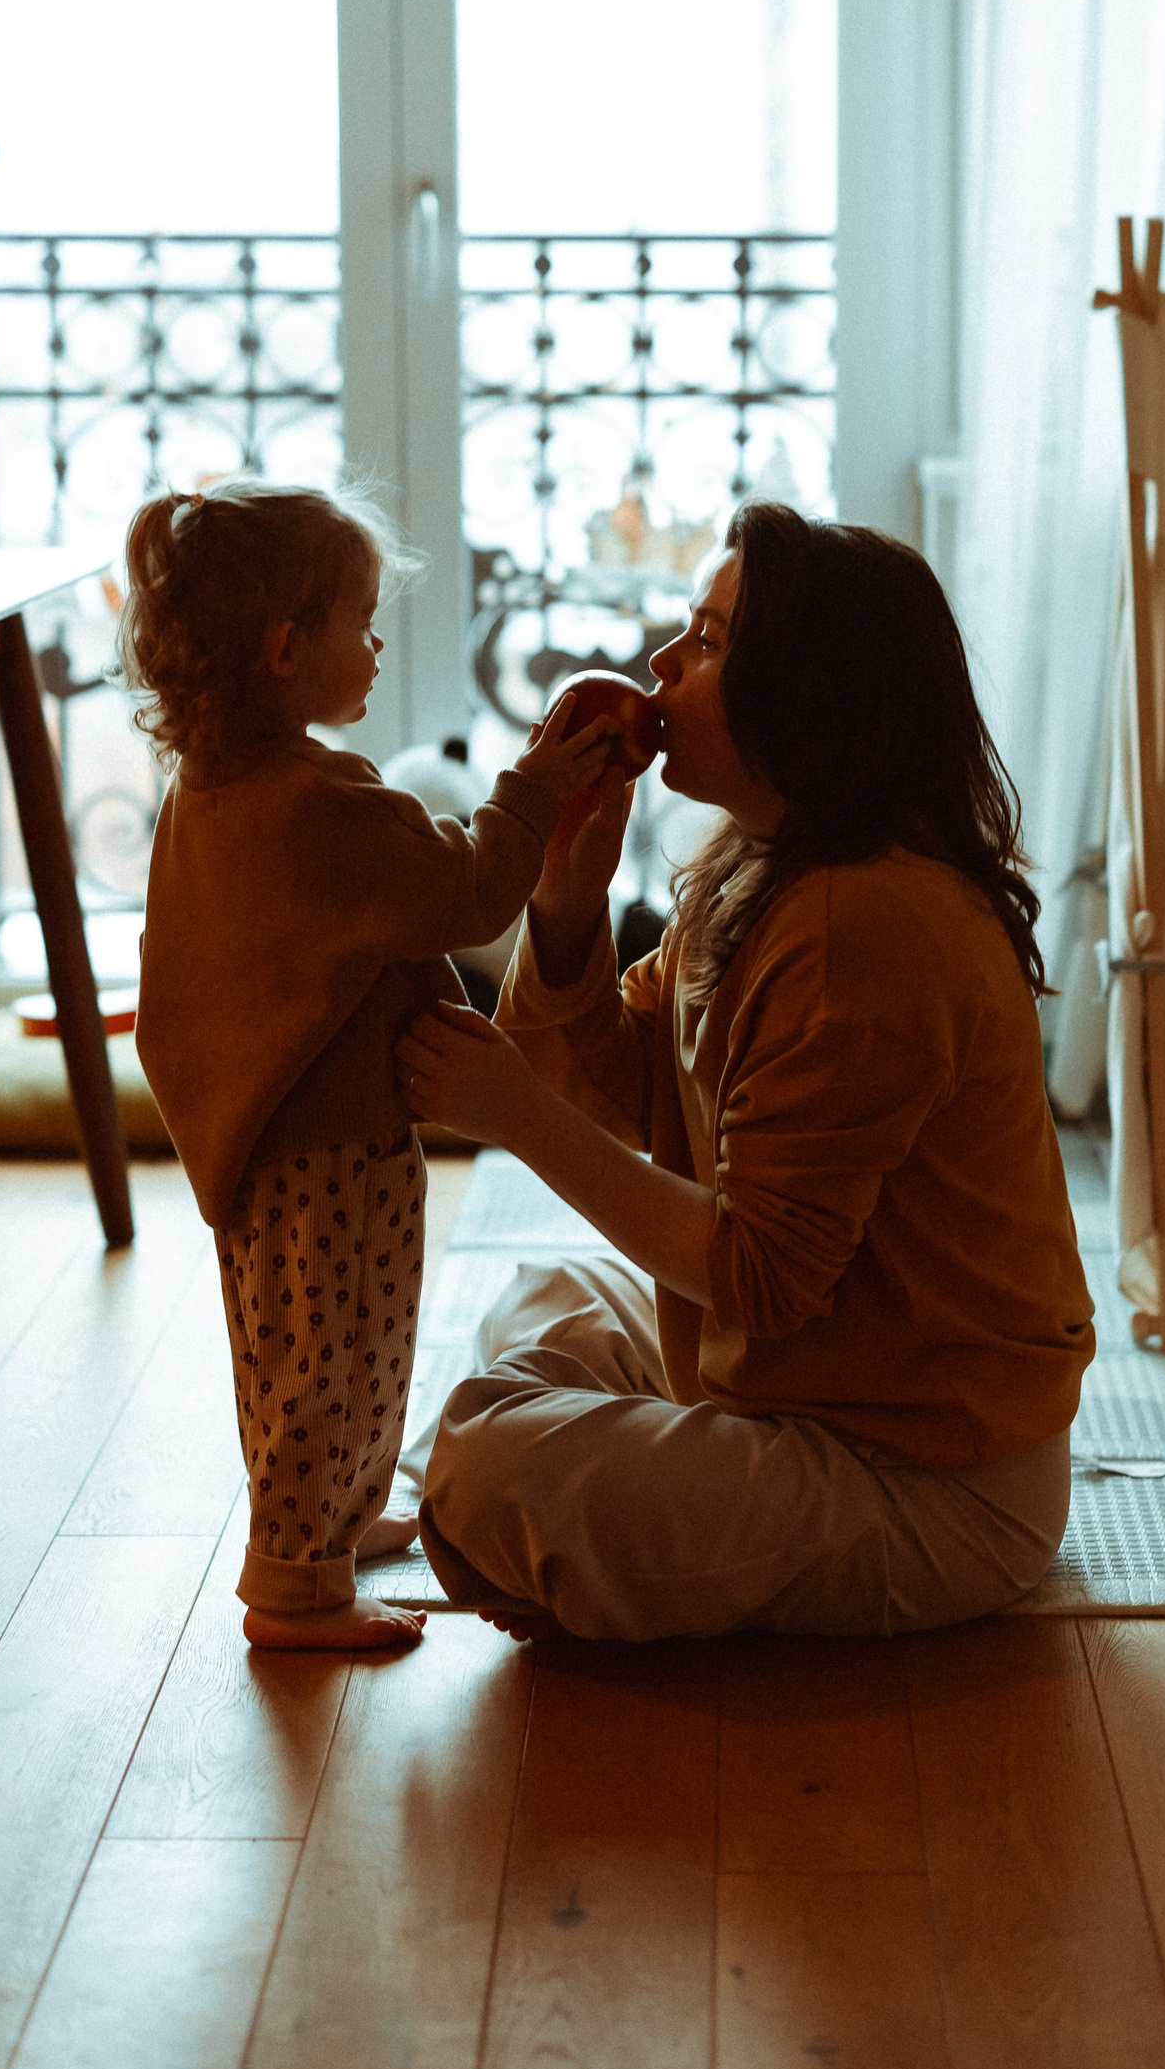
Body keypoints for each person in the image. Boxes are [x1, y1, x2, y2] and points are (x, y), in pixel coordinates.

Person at [396, 501, 1094, 1642]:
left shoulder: (861, 922)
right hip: (797, 1381)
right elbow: (626, 1086)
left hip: (928, 1477)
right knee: (549, 1302)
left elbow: (760, 1278)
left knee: (487, 1462)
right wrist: (565, 898)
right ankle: (587, 1537)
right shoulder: (758, 868)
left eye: (710, 641)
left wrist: (515, 1118)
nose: (662, 665)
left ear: (807, 693)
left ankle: (555, 1537)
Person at [123, 479, 612, 1653]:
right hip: (325, 1147)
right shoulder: (320, 800)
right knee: (328, 1363)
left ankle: (333, 1521)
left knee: (333, 1348)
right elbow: (468, 891)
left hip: (286, 1140)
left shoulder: (212, 788)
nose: (378, 645)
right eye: (362, 621)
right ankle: (295, 1589)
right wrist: (536, 790)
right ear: (287, 650)